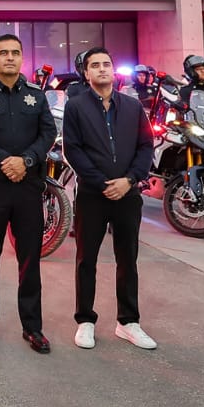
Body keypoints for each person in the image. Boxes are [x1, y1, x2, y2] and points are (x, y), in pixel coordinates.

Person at [0, 33, 57, 354]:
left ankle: (33, 327)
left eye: (15, 53)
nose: (10, 58)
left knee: (30, 259)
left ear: (22, 58)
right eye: (3, 53)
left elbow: (48, 132)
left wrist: (26, 161)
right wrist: (6, 160)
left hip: (28, 187)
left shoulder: (36, 95)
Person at [61, 46, 158, 352]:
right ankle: (85, 321)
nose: (102, 69)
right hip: (93, 195)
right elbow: (72, 149)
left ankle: (128, 322)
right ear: (86, 72)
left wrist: (129, 180)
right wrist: (101, 182)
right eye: (95, 65)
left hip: (128, 194)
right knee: (86, 259)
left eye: (106, 64)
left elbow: (146, 146)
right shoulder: (75, 107)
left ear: (113, 71)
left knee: (127, 258)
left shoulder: (132, 106)